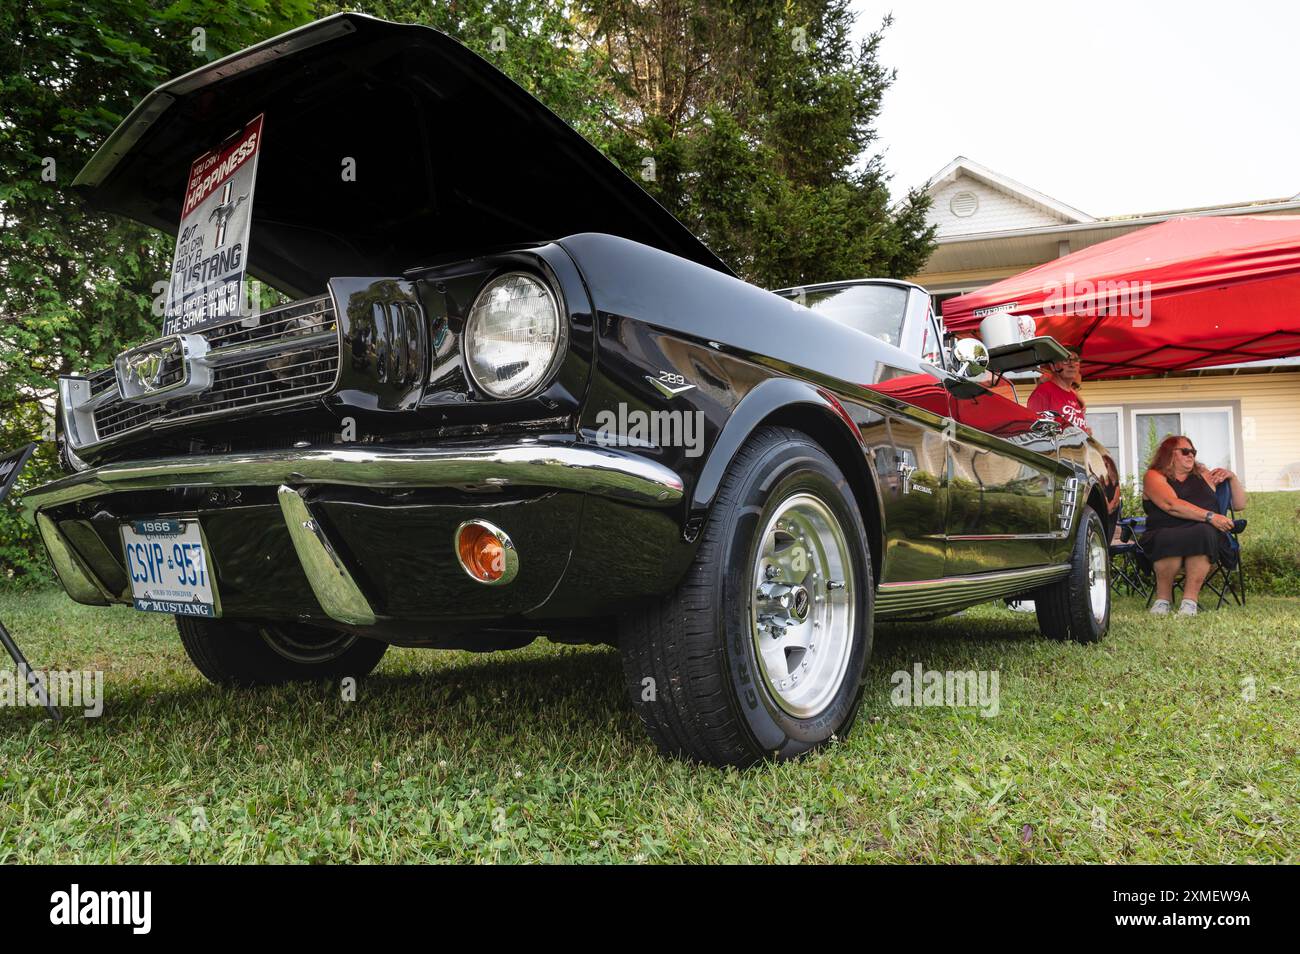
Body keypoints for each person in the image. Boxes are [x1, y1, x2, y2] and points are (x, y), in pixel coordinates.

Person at [1140, 435, 1247, 615]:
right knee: (1168, 536)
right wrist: (1211, 516)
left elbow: (1239, 504)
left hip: (1204, 533)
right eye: (1185, 451)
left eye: (1193, 452)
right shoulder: (1154, 476)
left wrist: (1233, 477)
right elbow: (1170, 505)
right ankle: (1163, 600)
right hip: (1165, 530)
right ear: (1168, 454)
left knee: (1203, 532)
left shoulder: (1205, 476)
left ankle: (1189, 602)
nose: (1191, 455)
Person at [1027, 347, 1090, 433]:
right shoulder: (1043, 392)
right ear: (1053, 366)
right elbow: (1036, 434)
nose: (1071, 364)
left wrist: (1085, 434)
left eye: (1075, 360)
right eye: (1065, 360)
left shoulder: (1074, 397)